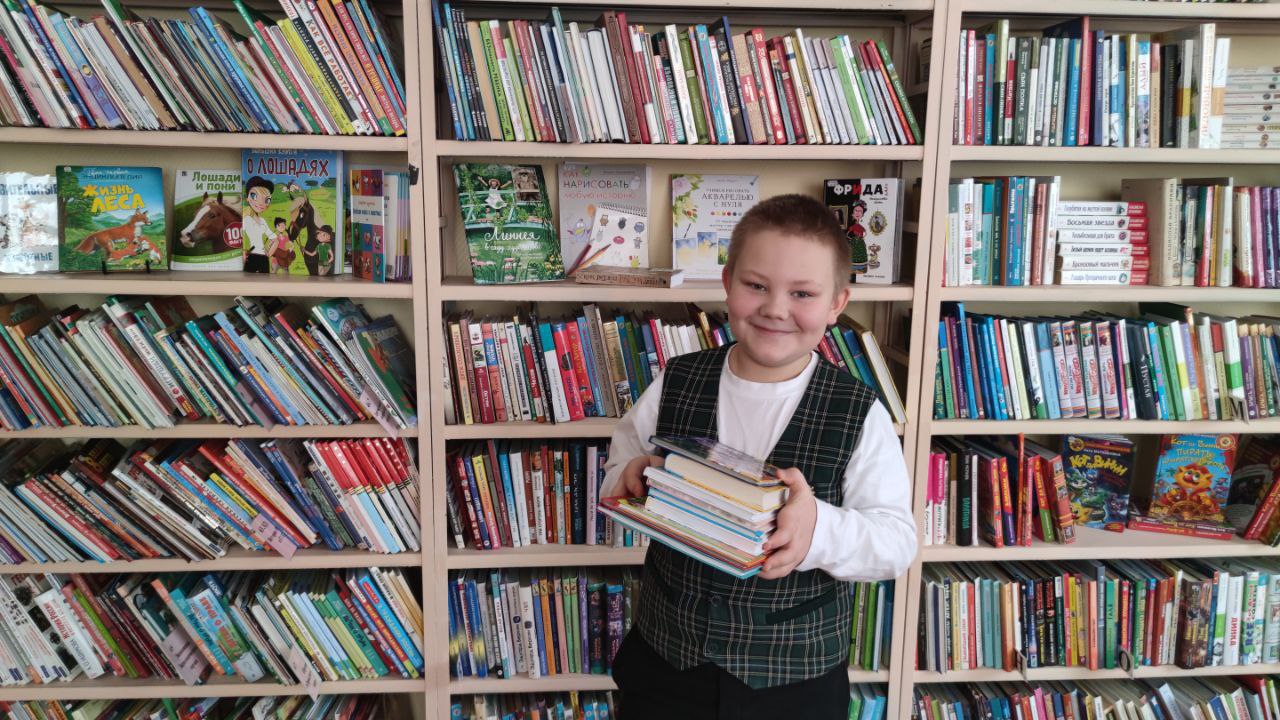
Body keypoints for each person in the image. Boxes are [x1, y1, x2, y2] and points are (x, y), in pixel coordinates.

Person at [600, 194, 917, 720]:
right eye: (756, 286)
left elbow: (895, 543)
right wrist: (629, 476)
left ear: (837, 303)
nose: (775, 308)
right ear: (727, 283)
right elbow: (621, 465)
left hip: (793, 683)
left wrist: (818, 529)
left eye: (802, 293)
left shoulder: (861, 412)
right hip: (666, 663)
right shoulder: (676, 380)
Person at [242, 176, 273, 273]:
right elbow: (239, 237)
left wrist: (269, 253)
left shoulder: (262, 220)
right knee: (248, 280)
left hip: (263, 257)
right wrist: (243, 251)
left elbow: (275, 239)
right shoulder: (246, 219)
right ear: (247, 198)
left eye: (267, 200)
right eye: (254, 196)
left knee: (265, 280)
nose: (261, 203)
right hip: (251, 255)